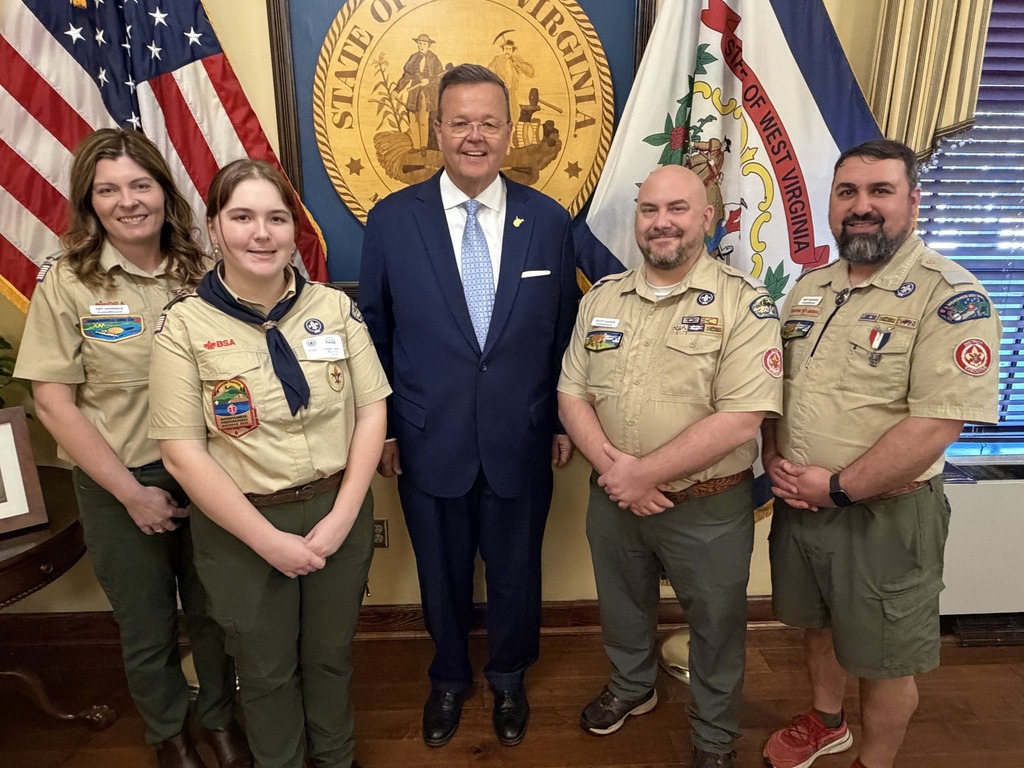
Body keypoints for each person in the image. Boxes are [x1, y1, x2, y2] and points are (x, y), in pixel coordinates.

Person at [761, 139, 1001, 768]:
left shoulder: (950, 298)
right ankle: (827, 722)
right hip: (802, 506)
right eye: (848, 192)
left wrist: (837, 487)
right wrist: (771, 455)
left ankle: (875, 759)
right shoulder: (810, 289)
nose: (861, 206)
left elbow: (938, 422)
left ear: (913, 202)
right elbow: (774, 387)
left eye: (879, 192)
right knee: (818, 623)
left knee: (885, 653)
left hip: (882, 516)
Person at [359, 63, 579, 748]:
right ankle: (450, 677)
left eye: (489, 122)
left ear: (509, 132)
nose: (474, 136)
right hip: (429, 436)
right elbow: (374, 329)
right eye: (460, 122)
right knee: (441, 571)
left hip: (523, 434)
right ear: (438, 130)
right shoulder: (394, 220)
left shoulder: (547, 220)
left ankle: (509, 676)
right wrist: (389, 429)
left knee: (516, 572)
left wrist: (562, 420)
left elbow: (564, 330)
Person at [14, 129, 249, 768]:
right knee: (146, 626)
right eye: (108, 189)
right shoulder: (68, 283)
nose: (128, 202)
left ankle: (220, 722)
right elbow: (54, 402)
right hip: (120, 479)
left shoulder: (205, 273)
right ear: (90, 201)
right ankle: (169, 735)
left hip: (208, 476)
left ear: (163, 192)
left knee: (214, 612)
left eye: (140, 185)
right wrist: (131, 492)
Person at [150, 160, 390, 768]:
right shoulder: (184, 326)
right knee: (264, 669)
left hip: (336, 508)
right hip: (240, 526)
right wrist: (267, 541)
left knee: (331, 656)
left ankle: (336, 758)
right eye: (243, 217)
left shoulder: (333, 308)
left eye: (276, 218)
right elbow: (182, 451)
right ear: (213, 228)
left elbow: (371, 412)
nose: (262, 233)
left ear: (293, 230)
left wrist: (342, 516)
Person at [558, 165, 783, 768]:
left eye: (678, 209)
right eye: (649, 210)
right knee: (622, 604)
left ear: (707, 217)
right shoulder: (602, 299)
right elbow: (572, 393)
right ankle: (632, 688)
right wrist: (617, 473)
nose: (662, 222)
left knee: (716, 627)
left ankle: (713, 736)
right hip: (615, 498)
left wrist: (643, 474)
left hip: (707, 505)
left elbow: (742, 416)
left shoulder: (745, 302)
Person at [398, 33, 445, 152]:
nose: (421, 46)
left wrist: (429, 80)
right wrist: (397, 89)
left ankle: (424, 146)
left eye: (424, 44)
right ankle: (416, 146)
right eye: (420, 43)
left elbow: (440, 76)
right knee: (413, 117)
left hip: (427, 93)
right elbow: (406, 76)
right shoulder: (413, 58)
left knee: (423, 118)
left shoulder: (434, 59)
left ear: (429, 45)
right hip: (414, 92)